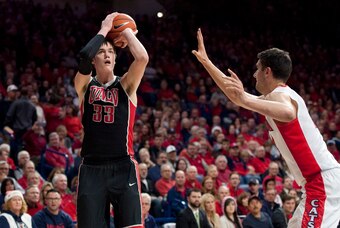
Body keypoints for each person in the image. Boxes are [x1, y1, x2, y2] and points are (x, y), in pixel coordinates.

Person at [192, 29, 340, 227]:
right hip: (318, 182)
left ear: (267, 71)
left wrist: (244, 97)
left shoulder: (281, 96)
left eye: (257, 69)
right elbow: (236, 96)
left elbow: (287, 112)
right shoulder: (278, 96)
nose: (254, 74)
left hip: (321, 181)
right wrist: (206, 62)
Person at [74, 12, 148, 228]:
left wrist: (125, 29)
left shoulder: (126, 85)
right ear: (94, 59)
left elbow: (142, 58)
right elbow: (83, 57)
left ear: (116, 57)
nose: (106, 55)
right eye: (101, 51)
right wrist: (105, 29)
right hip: (91, 168)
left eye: (110, 51)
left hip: (123, 165)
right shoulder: (85, 86)